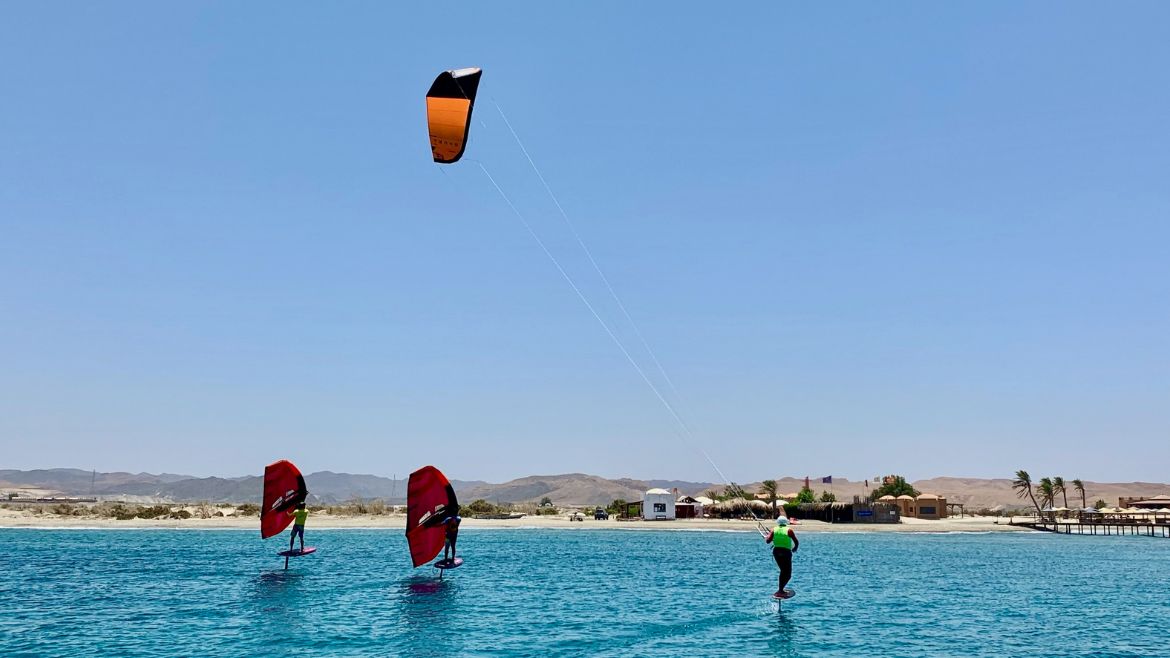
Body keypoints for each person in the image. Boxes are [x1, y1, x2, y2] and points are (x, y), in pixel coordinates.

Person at [764, 515, 799, 598]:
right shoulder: (789, 530)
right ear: (786, 523)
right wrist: (794, 548)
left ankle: (781, 590)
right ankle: (780, 590)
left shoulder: (773, 530)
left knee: (783, 571)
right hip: (786, 552)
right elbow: (796, 541)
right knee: (788, 574)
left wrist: (767, 536)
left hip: (777, 552)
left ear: (778, 522)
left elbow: (768, 541)